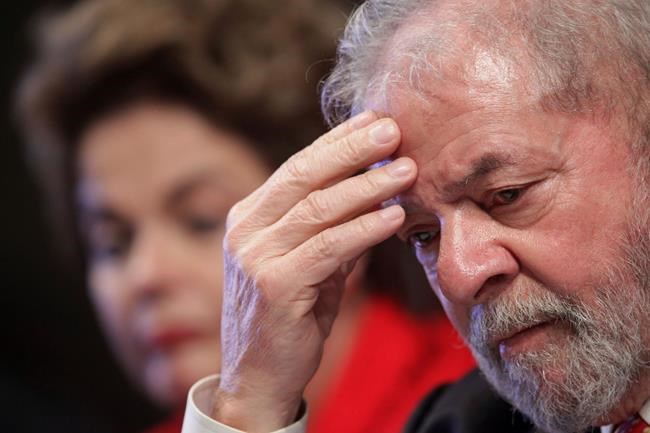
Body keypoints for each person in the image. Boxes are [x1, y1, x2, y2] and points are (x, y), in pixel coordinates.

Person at [176, 0, 650, 433]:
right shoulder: (457, 426)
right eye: (423, 235)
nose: (458, 275)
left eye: (508, 195)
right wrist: (251, 405)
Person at [17, 1, 475, 432]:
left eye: (200, 220)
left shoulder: (479, 400)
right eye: (113, 243)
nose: (145, 276)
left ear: (346, 208)